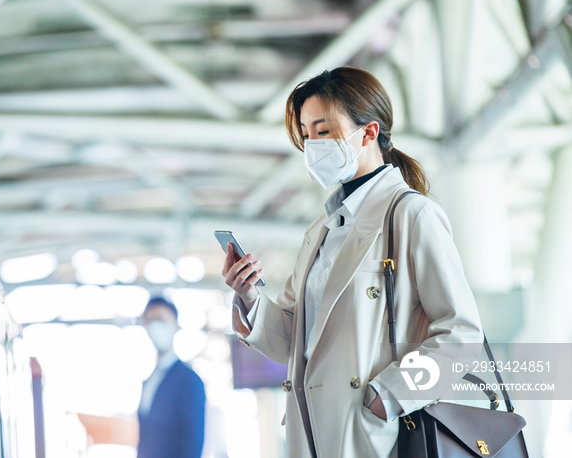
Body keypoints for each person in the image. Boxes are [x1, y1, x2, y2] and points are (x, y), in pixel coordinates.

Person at [222, 67, 484, 458]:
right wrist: (250, 298)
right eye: (307, 134)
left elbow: (461, 336)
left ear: (369, 132)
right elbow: (294, 340)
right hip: (311, 433)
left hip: (376, 436)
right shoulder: (321, 232)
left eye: (323, 130)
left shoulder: (411, 216)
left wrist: (388, 396)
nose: (313, 144)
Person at [137, 296, 206, 458]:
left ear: (175, 325)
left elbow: (193, 443)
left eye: (161, 319)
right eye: (151, 320)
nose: (156, 326)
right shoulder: (149, 381)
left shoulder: (189, 380)